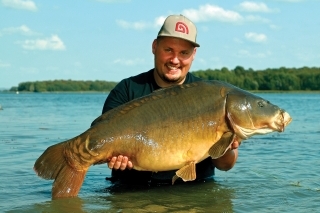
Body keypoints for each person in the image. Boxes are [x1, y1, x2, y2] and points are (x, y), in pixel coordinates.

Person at [94, 14, 239, 184]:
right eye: (168, 50)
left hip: (194, 191)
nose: (175, 60)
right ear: (155, 47)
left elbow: (226, 166)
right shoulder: (127, 90)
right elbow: (100, 136)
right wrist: (114, 157)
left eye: (184, 53)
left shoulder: (211, 96)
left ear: (194, 54)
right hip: (133, 192)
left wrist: (226, 148)